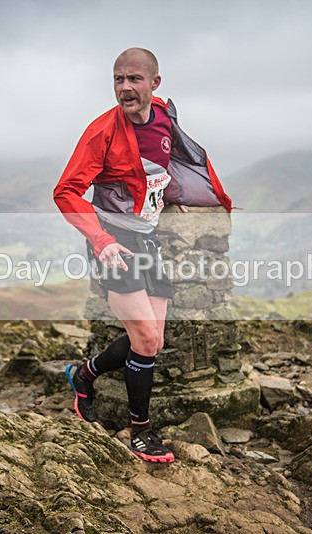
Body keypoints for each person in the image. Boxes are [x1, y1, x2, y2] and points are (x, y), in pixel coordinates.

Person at [54, 48, 231, 463]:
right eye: (118, 79)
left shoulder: (165, 120)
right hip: (113, 240)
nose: (125, 88)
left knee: (150, 340)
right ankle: (140, 432)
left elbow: (162, 165)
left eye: (134, 79)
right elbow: (65, 191)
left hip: (147, 238)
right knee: (147, 338)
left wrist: (172, 196)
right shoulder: (101, 132)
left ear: (155, 83)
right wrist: (101, 240)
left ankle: (84, 374)